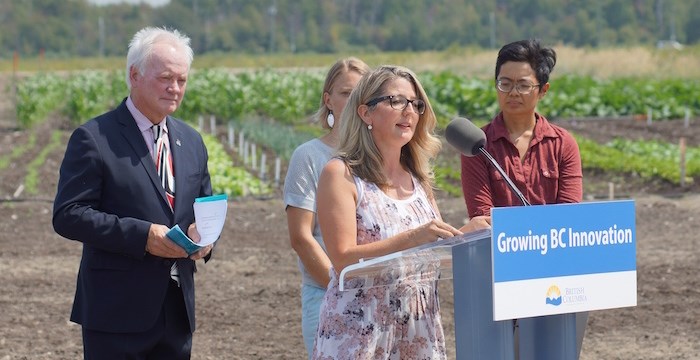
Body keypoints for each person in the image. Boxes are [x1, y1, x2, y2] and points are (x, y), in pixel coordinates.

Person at [52, 26, 212, 359]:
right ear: (134, 75)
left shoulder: (192, 140)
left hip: (177, 312)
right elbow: (69, 214)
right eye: (166, 78)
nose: (174, 88)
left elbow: (204, 206)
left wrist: (206, 237)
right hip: (116, 314)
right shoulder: (94, 137)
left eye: (182, 80)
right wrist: (143, 236)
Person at [311, 65, 491, 359]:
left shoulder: (418, 179)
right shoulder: (340, 174)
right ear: (365, 113)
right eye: (396, 101)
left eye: (415, 103)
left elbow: (434, 247)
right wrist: (414, 237)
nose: (409, 111)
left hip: (418, 331)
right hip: (360, 332)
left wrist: (467, 234)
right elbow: (342, 258)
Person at [283, 57, 371, 358]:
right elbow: (301, 237)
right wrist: (340, 287)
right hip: (325, 295)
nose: (354, 100)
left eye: (362, 93)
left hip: (378, 295)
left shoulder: (382, 157)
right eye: (346, 92)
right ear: (328, 99)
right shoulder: (309, 156)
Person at [460, 39, 583, 217]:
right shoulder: (476, 146)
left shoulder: (563, 144)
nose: (513, 92)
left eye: (523, 86)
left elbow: (569, 214)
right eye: (505, 83)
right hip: (497, 244)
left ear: (543, 90)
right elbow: (482, 216)